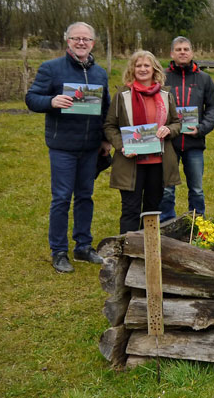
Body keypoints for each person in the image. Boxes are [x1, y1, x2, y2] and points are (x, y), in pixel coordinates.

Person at [25, 21, 111, 273]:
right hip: (62, 145)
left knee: (85, 196)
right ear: (68, 41)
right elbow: (31, 98)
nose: (81, 43)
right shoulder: (51, 68)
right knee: (61, 198)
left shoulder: (99, 73)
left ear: (93, 43)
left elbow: (105, 108)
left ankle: (83, 246)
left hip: (90, 147)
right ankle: (59, 251)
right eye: (76, 38)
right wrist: (51, 101)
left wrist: (105, 139)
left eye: (86, 39)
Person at [104, 51, 181, 234]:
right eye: (138, 65)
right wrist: (121, 146)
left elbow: (177, 122)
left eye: (147, 65)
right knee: (130, 210)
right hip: (130, 162)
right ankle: (128, 252)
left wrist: (169, 129)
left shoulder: (165, 95)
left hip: (158, 163)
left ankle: (148, 254)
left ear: (154, 69)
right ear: (132, 69)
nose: (143, 69)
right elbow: (109, 126)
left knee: (152, 211)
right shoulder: (122, 95)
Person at [158, 36, 214, 221]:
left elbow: (213, 107)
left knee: (197, 189)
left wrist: (201, 129)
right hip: (169, 142)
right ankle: (167, 224)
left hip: (194, 142)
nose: (182, 52)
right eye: (178, 49)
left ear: (192, 53)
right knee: (167, 188)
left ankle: (197, 223)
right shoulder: (161, 77)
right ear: (171, 53)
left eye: (186, 49)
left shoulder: (204, 79)